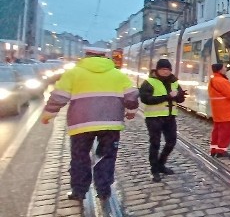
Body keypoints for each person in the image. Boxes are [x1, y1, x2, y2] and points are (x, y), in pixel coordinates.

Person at [40, 46, 138, 201]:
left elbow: (59, 97)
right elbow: (132, 96)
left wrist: (48, 114)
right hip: (110, 124)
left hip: (81, 123)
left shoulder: (73, 73)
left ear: (86, 56)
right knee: (106, 156)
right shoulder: (117, 75)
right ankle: (103, 190)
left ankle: (79, 191)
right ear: (105, 57)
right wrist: (131, 111)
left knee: (80, 156)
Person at [139, 59, 185, 181]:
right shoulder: (149, 82)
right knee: (155, 144)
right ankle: (154, 170)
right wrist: (167, 97)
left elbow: (180, 99)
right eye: (163, 69)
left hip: (170, 117)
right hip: (154, 118)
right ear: (157, 70)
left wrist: (180, 96)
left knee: (171, 142)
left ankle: (161, 164)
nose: (165, 72)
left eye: (168, 69)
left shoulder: (174, 82)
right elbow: (145, 99)